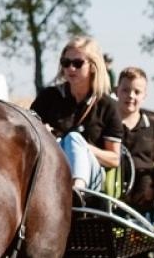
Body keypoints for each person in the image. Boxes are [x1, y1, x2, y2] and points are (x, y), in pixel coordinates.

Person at [31, 35, 122, 191]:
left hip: (93, 178)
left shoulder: (107, 106)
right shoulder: (48, 97)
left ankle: (77, 190)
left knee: (73, 138)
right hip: (52, 169)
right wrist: (40, 132)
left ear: (93, 66)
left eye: (78, 63)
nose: (70, 68)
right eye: (66, 63)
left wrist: (81, 147)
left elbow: (114, 159)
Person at [115, 66, 154, 205]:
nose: (131, 95)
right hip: (111, 192)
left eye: (137, 92)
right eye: (125, 90)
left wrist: (153, 188)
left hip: (144, 198)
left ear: (144, 95)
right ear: (117, 92)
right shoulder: (106, 124)